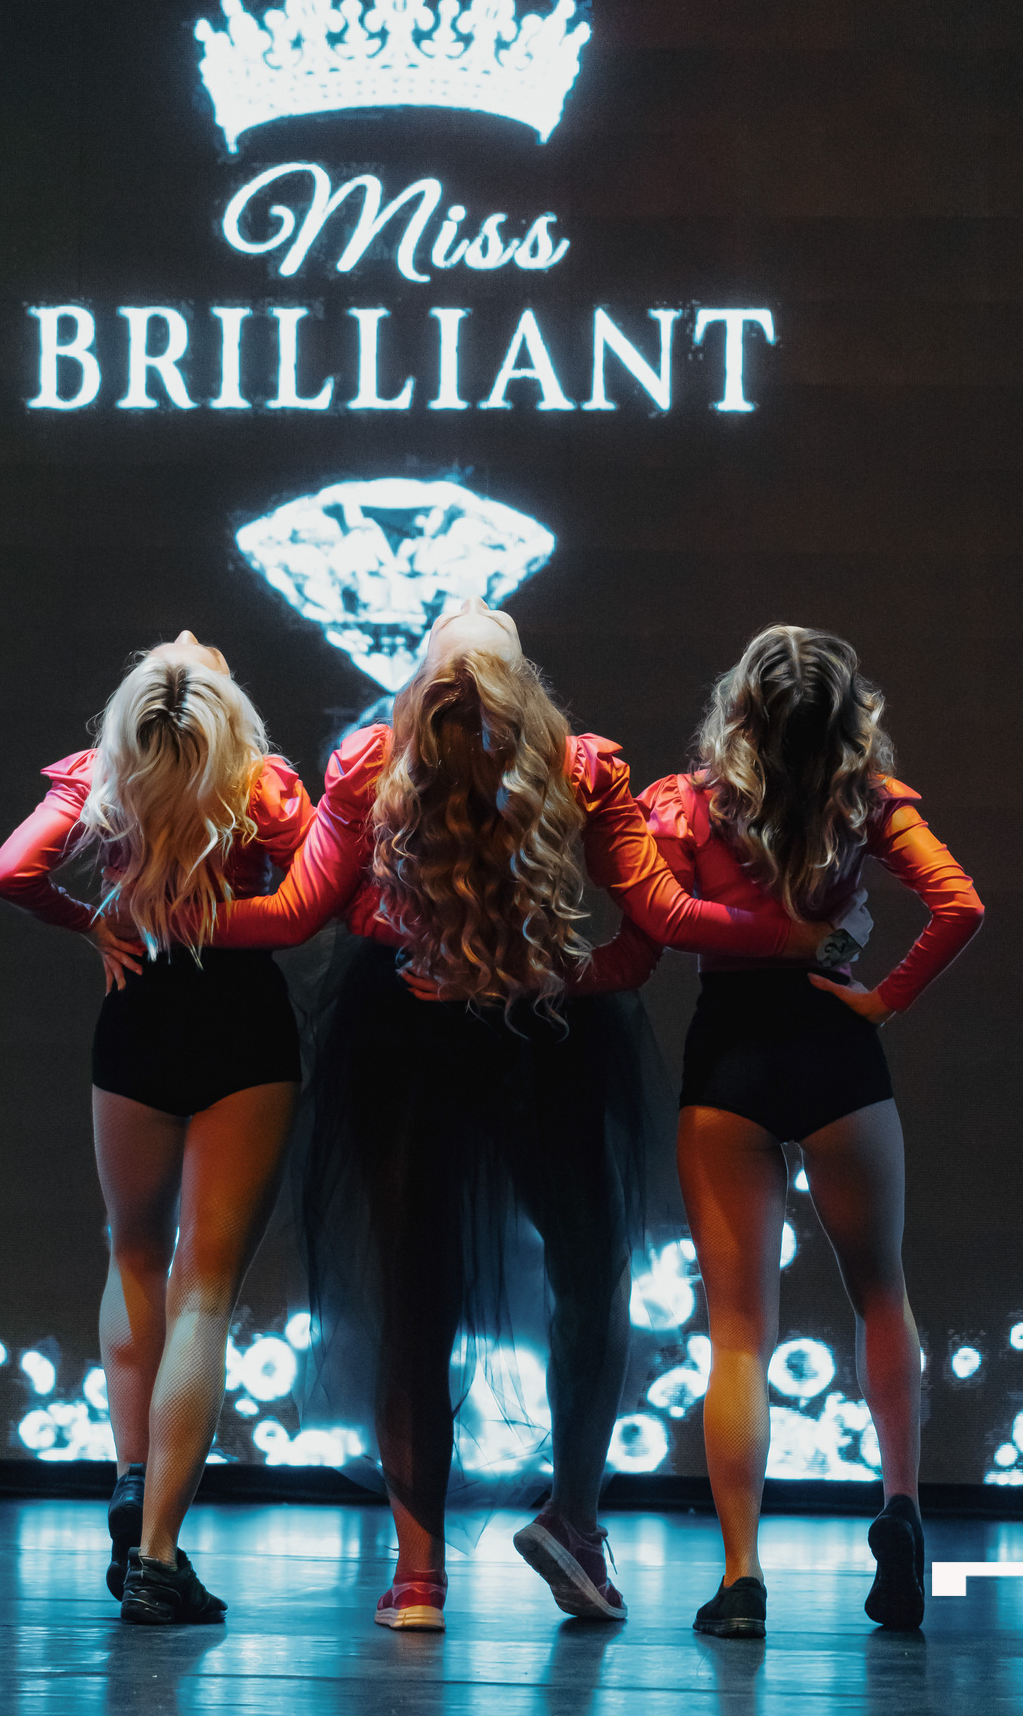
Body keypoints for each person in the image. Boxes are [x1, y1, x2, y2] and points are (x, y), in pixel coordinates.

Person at [203, 599, 842, 1634]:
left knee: (418, 1291)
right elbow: (659, 926)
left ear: (421, 685)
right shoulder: (576, 769)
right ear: (528, 686)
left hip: (419, 1031)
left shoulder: (375, 765)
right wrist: (585, 968)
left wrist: (157, 911)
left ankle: (422, 1574)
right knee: (582, 1276)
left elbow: (297, 913)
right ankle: (570, 1524)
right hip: (542, 1033)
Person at [596, 624, 984, 1638]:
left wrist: (542, 978)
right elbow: (958, 904)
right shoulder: (866, 803)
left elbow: (652, 933)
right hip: (835, 1049)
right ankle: (901, 1508)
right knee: (881, 1293)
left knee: (736, 1335)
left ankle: (741, 1579)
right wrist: (883, 999)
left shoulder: (685, 807)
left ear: (739, 709)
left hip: (729, 1059)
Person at [0, 631, 314, 1626]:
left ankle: (133, 1476)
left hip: (139, 1013)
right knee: (203, 1289)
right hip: (242, 1025)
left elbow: (10, 871)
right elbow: (313, 898)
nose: (187, 637)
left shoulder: (107, 777)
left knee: (133, 1255)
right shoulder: (261, 788)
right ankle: (160, 1556)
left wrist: (95, 920)